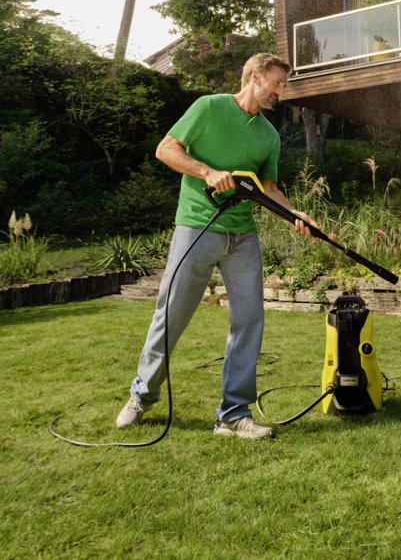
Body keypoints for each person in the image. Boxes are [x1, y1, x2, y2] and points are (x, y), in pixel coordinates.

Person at [116, 52, 316, 440]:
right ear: (254, 76)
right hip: (196, 227)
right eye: (277, 82)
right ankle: (142, 395)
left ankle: (233, 414)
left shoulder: (268, 136)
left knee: (249, 321)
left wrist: (297, 215)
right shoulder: (208, 108)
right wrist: (207, 172)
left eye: (284, 85)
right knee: (171, 315)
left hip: (243, 235)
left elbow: (269, 189)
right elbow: (166, 149)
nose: (281, 92)